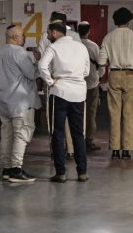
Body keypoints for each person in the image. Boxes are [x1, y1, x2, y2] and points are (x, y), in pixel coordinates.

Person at [38, 21, 90, 183]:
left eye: (48, 33)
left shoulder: (53, 47)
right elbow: (87, 70)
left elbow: (42, 66)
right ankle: (82, 172)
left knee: (57, 133)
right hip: (79, 94)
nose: (47, 36)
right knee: (78, 134)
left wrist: (50, 81)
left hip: (60, 92)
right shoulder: (81, 47)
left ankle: (61, 173)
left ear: (54, 33)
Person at [0, 25, 41, 183]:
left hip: (2, 102)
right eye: (22, 35)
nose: (24, 38)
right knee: (21, 134)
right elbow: (32, 74)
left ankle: (6, 168)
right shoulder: (19, 52)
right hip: (19, 102)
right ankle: (16, 169)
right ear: (14, 37)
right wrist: (39, 60)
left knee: (6, 135)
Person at [98, 7, 133, 160]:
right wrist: (132, 59)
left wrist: (114, 59)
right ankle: (127, 149)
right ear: (129, 20)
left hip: (114, 75)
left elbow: (101, 62)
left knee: (114, 112)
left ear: (115, 20)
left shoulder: (108, 37)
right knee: (129, 112)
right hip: (131, 75)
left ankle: (115, 149)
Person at [37, 12, 81, 159]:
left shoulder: (46, 36)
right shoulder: (75, 36)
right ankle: (71, 149)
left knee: (55, 119)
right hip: (75, 84)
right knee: (74, 121)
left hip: (54, 82)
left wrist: (49, 81)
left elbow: (42, 61)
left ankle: (57, 150)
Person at [77, 21, 104, 151]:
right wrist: (99, 76)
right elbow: (101, 65)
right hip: (92, 84)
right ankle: (89, 140)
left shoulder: (74, 45)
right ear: (89, 31)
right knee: (91, 113)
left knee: (76, 113)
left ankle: (75, 140)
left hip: (76, 85)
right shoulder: (93, 46)